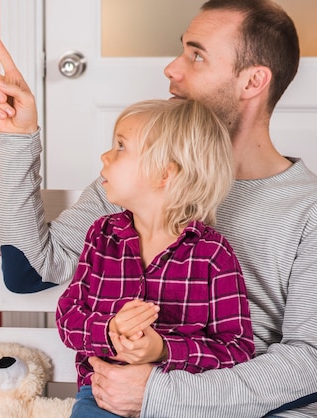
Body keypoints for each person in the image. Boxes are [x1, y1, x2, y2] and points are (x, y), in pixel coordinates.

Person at [0, 0, 317, 416]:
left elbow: (310, 364)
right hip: (124, 400)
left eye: (196, 55)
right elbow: (29, 271)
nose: (171, 69)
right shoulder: (137, 183)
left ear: (253, 81)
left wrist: (162, 393)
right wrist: (18, 139)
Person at [56, 98, 255, 418]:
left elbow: (235, 350)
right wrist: (110, 330)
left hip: (181, 402)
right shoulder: (101, 236)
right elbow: (68, 319)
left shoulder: (212, 254)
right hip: (103, 398)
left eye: (121, 146)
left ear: (164, 174)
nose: (105, 156)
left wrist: (163, 349)